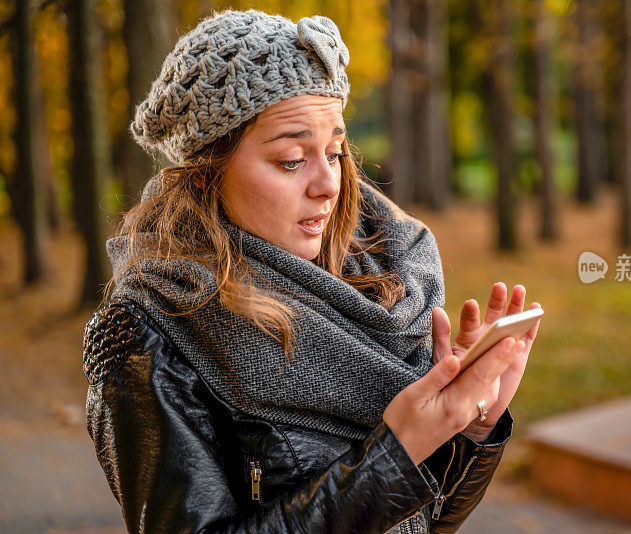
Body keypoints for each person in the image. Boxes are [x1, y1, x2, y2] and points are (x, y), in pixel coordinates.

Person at [82, 9, 542, 534]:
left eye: (335, 151)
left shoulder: (386, 280)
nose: (329, 183)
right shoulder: (148, 333)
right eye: (290, 160)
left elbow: (425, 524)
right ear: (206, 174)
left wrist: (470, 425)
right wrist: (395, 454)